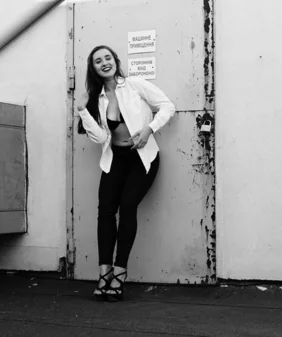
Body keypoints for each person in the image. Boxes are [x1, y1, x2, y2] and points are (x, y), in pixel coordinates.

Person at [75, 45, 176, 302]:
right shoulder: (96, 98)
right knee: (106, 212)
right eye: (98, 61)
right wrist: (83, 112)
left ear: (115, 61)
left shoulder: (135, 85)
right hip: (114, 160)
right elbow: (99, 137)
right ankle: (104, 274)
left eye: (107, 58)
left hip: (142, 159)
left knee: (128, 207)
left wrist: (149, 129)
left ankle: (119, 275)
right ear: (93, 68)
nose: (104, 63)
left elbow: (167, 106)